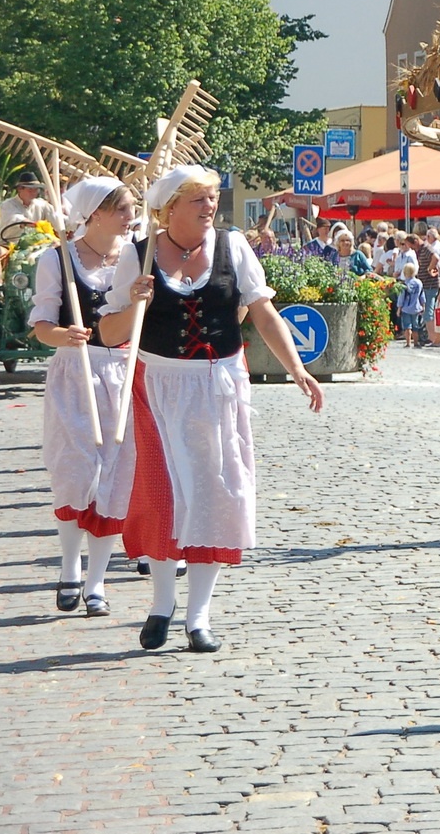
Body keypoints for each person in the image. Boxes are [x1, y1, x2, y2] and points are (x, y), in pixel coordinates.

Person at [99, 165, 326, 653]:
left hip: (220, 386)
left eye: (213, 198)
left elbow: (263, 312)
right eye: (200, 200)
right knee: (162, 497)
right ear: (171, 207)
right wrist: (133, 304)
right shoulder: (137, 259)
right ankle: (162, 603)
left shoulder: (233, 247)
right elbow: (111, 335)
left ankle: (198, 616)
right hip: (157, 386)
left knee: (216, 496)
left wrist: (297, 368)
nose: (210, 208)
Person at [31, 177, 139, 618]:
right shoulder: (57, 260)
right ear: (95, 214)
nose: (131, 217)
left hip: (126, 371)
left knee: (115, 479)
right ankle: (69, 565)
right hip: (75, 371)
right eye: (122, 209)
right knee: (75, 473)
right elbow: (41, 328)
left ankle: (97, 581)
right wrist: (65, 334)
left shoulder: (137, 256)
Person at [397, 262, 425, 346]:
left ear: (405, 273)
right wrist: (423, 305)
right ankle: (416, 342)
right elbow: (422, 295)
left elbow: (401, 297)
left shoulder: (404, 284)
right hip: (416, 307)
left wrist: (399, 308)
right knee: (415, 327)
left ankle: (408, 343)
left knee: (407, 327)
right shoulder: (419, 283)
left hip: (406, 308)